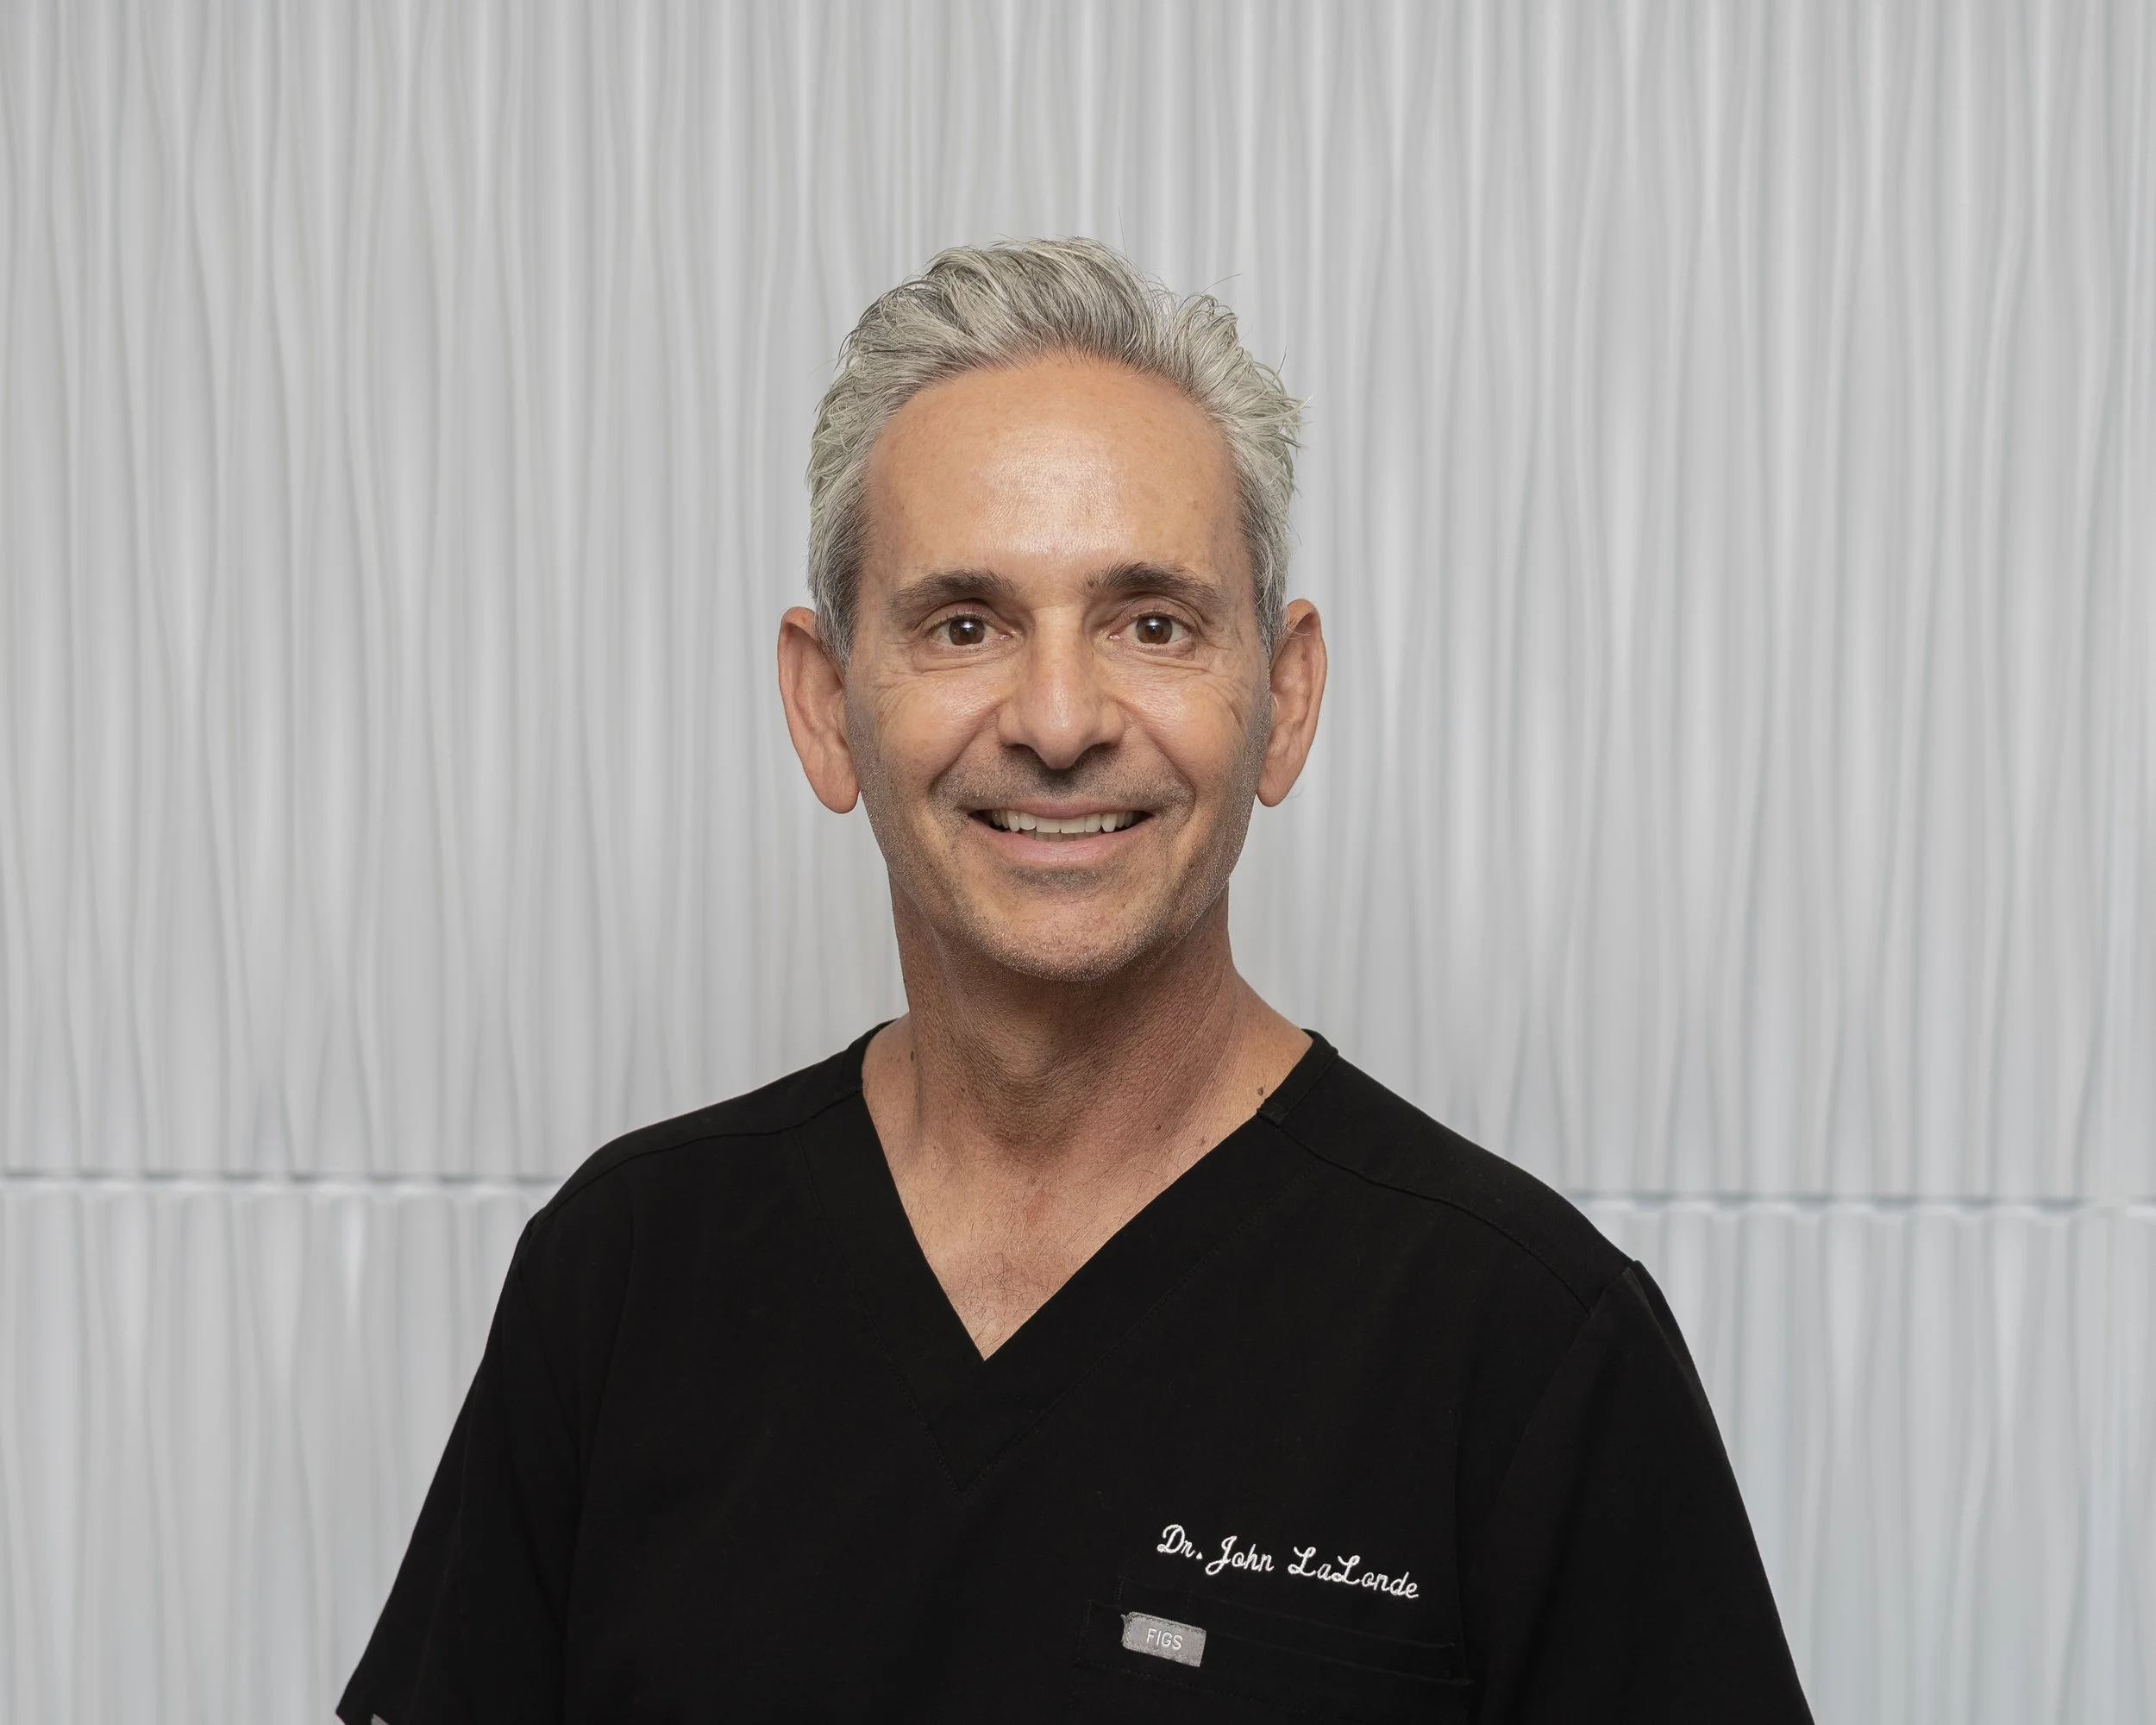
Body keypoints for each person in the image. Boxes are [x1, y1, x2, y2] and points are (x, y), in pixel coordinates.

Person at [339, 237, 1813, 1723]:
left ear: (1283, 703)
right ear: (826, 705)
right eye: (965, 624)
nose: (1057, 720)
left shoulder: (1525, 1345)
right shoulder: (628, 1274)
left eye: (1151, 623)